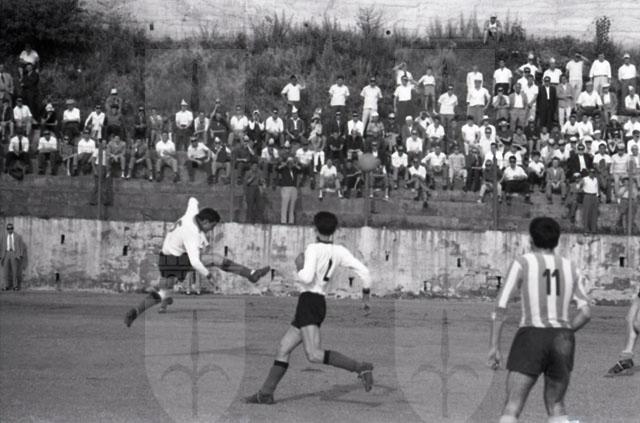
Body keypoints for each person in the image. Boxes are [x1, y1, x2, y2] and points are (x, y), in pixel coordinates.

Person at [246, 211, 373, 404]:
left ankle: (360, 367)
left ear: (315, 228)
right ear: (335, 230)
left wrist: (299, 265)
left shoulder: (313, 248)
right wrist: (365, 296)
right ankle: (265, 394)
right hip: (317, 302)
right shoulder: (340, 251)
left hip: (309, 302)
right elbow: (364, 272)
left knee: (313, 354)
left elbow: (306, 277)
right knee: (283, 348)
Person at [488, 217, 591, 423]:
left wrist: (494, 346)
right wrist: (565, 331)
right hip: (563, 339)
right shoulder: (571, 267)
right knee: (556, 404)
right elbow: (586, 313)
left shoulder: (523, 262)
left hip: (532, 335)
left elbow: (501, 306)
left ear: (531, 239)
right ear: (557, 240)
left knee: (513, 405)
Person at [124, 197, 271, 325]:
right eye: (212, 226)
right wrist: (209, 276)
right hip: (177, 260)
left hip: (164, 258)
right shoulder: (192, 234)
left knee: (163, 292)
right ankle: (251, 274)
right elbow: (195, 262)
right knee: (215, 259)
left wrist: (195, 205)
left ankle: (136, 311)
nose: (211, 230)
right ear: (205, 221)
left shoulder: (192, 213)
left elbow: (192, 200)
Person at [1, 223, 26, 291]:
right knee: (5, 271)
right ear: (7, 229)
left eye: (11, 228)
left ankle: (15, 286)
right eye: (8, 228)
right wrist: (1, 256)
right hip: (6, 254)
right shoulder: (4, 236)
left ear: (13, 229)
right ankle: (6, 286)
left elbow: (21, 246)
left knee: (14, 271)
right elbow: (1, 246)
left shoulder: (17, 236)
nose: (10, 230)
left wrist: (20, 255)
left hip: (14, 254)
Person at [278, 157, 300, 224]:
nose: (290, 164)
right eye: (289, 162)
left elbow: (301, 169)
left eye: (291, 162)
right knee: (284, 205)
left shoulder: (295, 169)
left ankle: (291, 221)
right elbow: (277, 168)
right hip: (286, 187)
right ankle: (283, 221)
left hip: (294, 188)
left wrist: (295, 165)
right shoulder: (283, 169)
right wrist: (284, 164)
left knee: (292, 206)